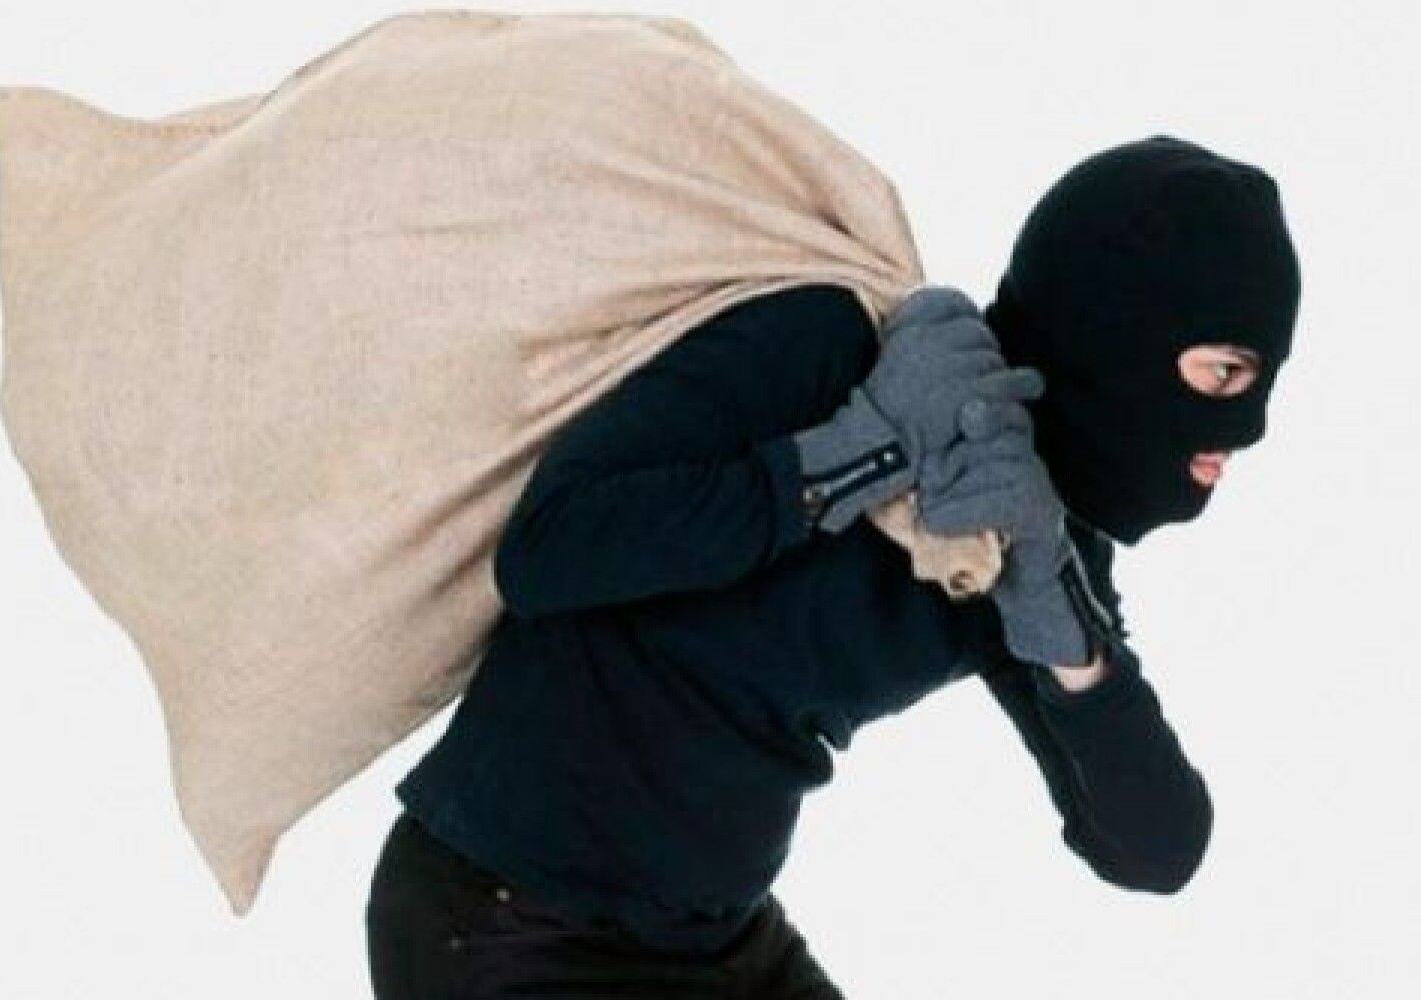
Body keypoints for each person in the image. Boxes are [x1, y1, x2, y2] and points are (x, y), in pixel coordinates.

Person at [363, 134, 1301, 999]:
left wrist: (1065, 625)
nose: (1245, 430)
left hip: (712, 940)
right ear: (1120, 331)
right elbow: (547, 551)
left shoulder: (1028, 536)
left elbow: (1155, 849)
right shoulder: (825, 340)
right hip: (505, 924)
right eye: (1224, 373)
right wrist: (861, 451)